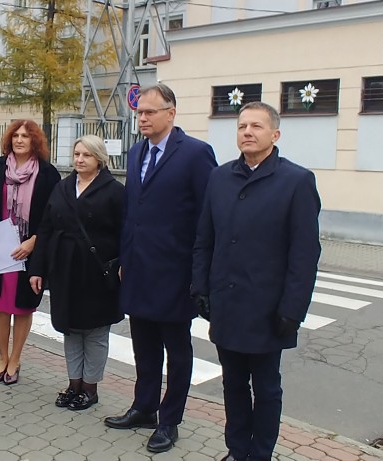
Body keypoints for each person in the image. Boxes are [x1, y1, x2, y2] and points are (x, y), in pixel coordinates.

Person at [191, 101, 321, 461]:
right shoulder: (220, 177)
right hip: (226, 305)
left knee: (265, 387)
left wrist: (293, 308)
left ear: (275, 134)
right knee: (232, 383)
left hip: (268, 309)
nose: (247, 132)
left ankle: (260, 454)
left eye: (256, 127)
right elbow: (205, 238)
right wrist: (199, 287)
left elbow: (305, 254)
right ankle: (237, 450)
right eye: (241, 126)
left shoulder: (296, 181)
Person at [104, 83, 217, 453]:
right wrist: (124, 259)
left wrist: (199, 272)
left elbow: (207, 216)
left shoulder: (196, 154)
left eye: (150, 112)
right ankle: (144, 407)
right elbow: (131, 214)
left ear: (171, 113)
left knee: (177, 350)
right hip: (138, 269)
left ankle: (170, 420)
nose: (143, 118)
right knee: (144, 346)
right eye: (140, 113)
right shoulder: (137, 152)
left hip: (175, 272)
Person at [29, 135, 124, 411]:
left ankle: (90, 389)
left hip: (97, 271)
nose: (80, 160)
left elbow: (125, 232)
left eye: (87, 155)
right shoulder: (62, 187)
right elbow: (45, 229)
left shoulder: (114, 191)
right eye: (77, 154)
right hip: (65, 269)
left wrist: (123, 264)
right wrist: (37, 269)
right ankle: (73, 384)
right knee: (70, 329)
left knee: (94, 331)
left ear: (100, 159)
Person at [0, 119, 60, 386]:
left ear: (35, 141)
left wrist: (34, 241)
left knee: (23, 307)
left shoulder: (47, 173)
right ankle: (1, 357)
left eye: (25, 136)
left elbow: (54, 215)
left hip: (28, 252)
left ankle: (16, 359)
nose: (19, 140)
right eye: (16, 135)